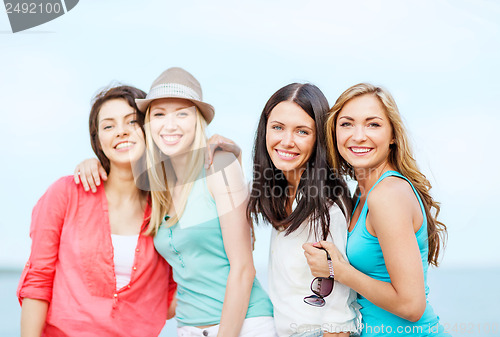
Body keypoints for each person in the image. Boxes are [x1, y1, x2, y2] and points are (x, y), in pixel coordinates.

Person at [17, 86, 176, 337]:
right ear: (98, 140)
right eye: (108, 126)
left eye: (132, 121)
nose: (121, 131)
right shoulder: (66, 193)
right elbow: (38, 281)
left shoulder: (168, 208)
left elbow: (173, 299)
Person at [138, 67, 275, 337]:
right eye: (159, 114)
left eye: (182, 113)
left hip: (244, 326)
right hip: (188, 328)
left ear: (198, 120)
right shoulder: (159, 187)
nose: (170, 124)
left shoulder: (219, 164)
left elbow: (244, 268)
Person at [303, 83, 448, 336]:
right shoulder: (362, 194)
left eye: (373, 124)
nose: (358, 135)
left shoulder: (387, 194)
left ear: (393, 135)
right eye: (347, 124)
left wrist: (338, 271)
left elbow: (412, 306)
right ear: (334, 133)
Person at [247, 83, 360, 337]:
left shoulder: (327, 205)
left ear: (319, 138)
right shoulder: (282, 191)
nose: (286, 141)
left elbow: (339, 316)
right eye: (277, 127)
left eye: (302, 131)